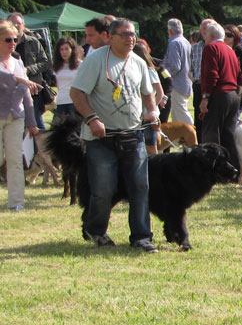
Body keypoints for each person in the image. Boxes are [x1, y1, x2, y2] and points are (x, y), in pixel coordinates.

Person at [70, 18, 159, 251]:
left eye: (133, 35)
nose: (131, 39)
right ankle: (96, 230)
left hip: (133, 135)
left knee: (140, 187)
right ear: (110, 36)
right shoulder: (96, 61)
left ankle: (141, 237)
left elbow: (148, 92)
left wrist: (152, 111)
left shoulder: (138, 62)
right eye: (125, 35)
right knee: (103, 190)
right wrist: (92, 119)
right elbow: (77, 92)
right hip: (102, 138)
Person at [0, 19, 40, 211]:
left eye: (14, 39)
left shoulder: (18, 62)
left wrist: (32, 122)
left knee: (16, 159)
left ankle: (16, 203)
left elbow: (26, 94)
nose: (12, 43)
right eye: (8, 39)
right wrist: (18, 79)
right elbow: (5, 79)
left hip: (16, 117)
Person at [199, 21, 241, 175]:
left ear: (210, 35)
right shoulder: (230, 50)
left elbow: (211, 74)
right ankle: (233, 171)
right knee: (228, 136)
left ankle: (211, 171)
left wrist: (205, 97)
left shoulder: (211, 48)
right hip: (232, 94)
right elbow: (238, 74)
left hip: (218, 94)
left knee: (211, 136)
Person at [9, 12, 52, 126]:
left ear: (23, 24)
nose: (16, 26)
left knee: (36, 121)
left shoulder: (33, 42)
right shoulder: (4, 43)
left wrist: (28, 69)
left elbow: (46, 62)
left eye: (19, 23)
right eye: (13, 23)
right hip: (11, 89)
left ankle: (38, 143)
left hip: (33, 88)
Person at [132, 41, 166, 155]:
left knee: (151, 148)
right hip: (137, 115)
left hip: (147, 116)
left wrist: (150, 110)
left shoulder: (149, 71)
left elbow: (160, 93)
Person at [163, 18, 193, 124]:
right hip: (186, 83)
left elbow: (175, 67)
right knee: (176, 116)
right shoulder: (186, 42)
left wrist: (163, 72)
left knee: (182, 115)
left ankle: (194, 135)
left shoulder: (174, 43)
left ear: (170, 31)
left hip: (177, 84)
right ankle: (181, 140)